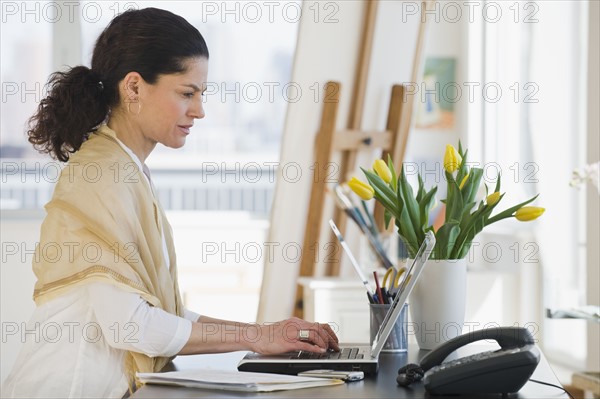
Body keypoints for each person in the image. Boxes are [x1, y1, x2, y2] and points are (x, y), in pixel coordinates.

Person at [1, 8, 339, 398]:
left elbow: (162, 314)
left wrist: (263, 335)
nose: (199, 110)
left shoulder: (127, 169)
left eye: (201, 94)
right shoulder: (104, 175)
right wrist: (256, 336)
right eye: (186, 93)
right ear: (133, 88)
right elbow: (132, 326)